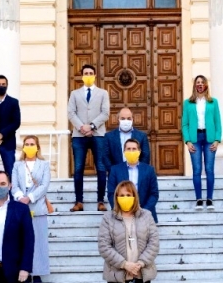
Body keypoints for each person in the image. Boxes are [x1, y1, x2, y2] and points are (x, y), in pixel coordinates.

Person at [67, 64, 110, 212]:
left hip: (98, 134)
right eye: (86, 73)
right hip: (79, 136)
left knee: (101, 168)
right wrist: (82, 127)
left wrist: (91, 126)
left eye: (91, 73)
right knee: (78, 168)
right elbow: (71, 113)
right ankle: (79, 201)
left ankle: (100, 201)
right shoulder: (74, 94)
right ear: (82, 76)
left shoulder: (103, 93)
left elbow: (105, 113)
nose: (88, 75)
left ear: (95, 75)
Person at [11, 135, 51, 283]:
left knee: (39, 241)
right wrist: (21, 197)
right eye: (26, 144)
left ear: (37, 147)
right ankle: (25, 272)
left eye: (32, 144)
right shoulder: (17, 165)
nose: (29, 146)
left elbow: (44, 185)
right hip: (21, 206)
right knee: (22, 241)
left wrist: (31, 197)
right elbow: (14, 185)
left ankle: (38, 273)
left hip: (38, 205)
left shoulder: (44, 164)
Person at [182, 75, 222, 209]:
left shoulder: (213, 102)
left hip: (210, 138)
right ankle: (199, 198)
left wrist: (217, 140)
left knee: (209, 169)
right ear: (194, 85)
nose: (200, 85)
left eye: (202, 82)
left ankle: (209, 198)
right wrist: (187, 141)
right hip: (195, 139)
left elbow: (218, 122)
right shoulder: (188, 103)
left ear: (206, 85)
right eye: (197, 82)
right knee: (197, 169)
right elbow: (185, 124)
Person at [105, 107, 151, 204]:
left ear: (133, 119)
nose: (126, 121)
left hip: (137, 174)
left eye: (129, 118)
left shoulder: (141, 136)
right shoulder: (109, 136)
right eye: (123, 118)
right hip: (117, 176)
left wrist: (139, 170)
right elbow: (106, 156)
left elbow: (145, 156)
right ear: (118, 119)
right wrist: (114, 171)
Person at [108, 139, 160, 222]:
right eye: (128, 149)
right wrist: (121, 211)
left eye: (134, 149)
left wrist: (143, 212)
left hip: (145, 217)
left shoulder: (149, 170)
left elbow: (154, 194)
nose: (131, 151)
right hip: (121, 217)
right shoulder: (115, 170)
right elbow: (111, 193)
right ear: (124, 151)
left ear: (139, 151)